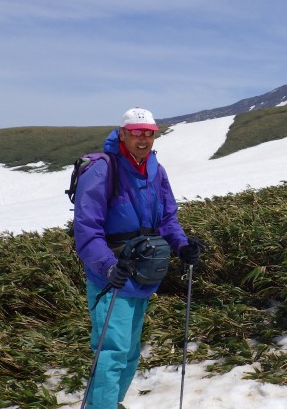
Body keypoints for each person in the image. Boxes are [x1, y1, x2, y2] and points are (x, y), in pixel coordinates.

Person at [73, 107, 205, 408]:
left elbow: (168, 218)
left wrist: (182, 246)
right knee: (113, 350)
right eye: (136, 133)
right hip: (111, 274)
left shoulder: (156, 170)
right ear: (122, 134)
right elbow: (86, 229)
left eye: (148, 133)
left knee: (130, 351)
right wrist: (107, 267)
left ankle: (110, 403)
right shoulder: (104, 169)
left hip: (143, 273)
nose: (143, 139)